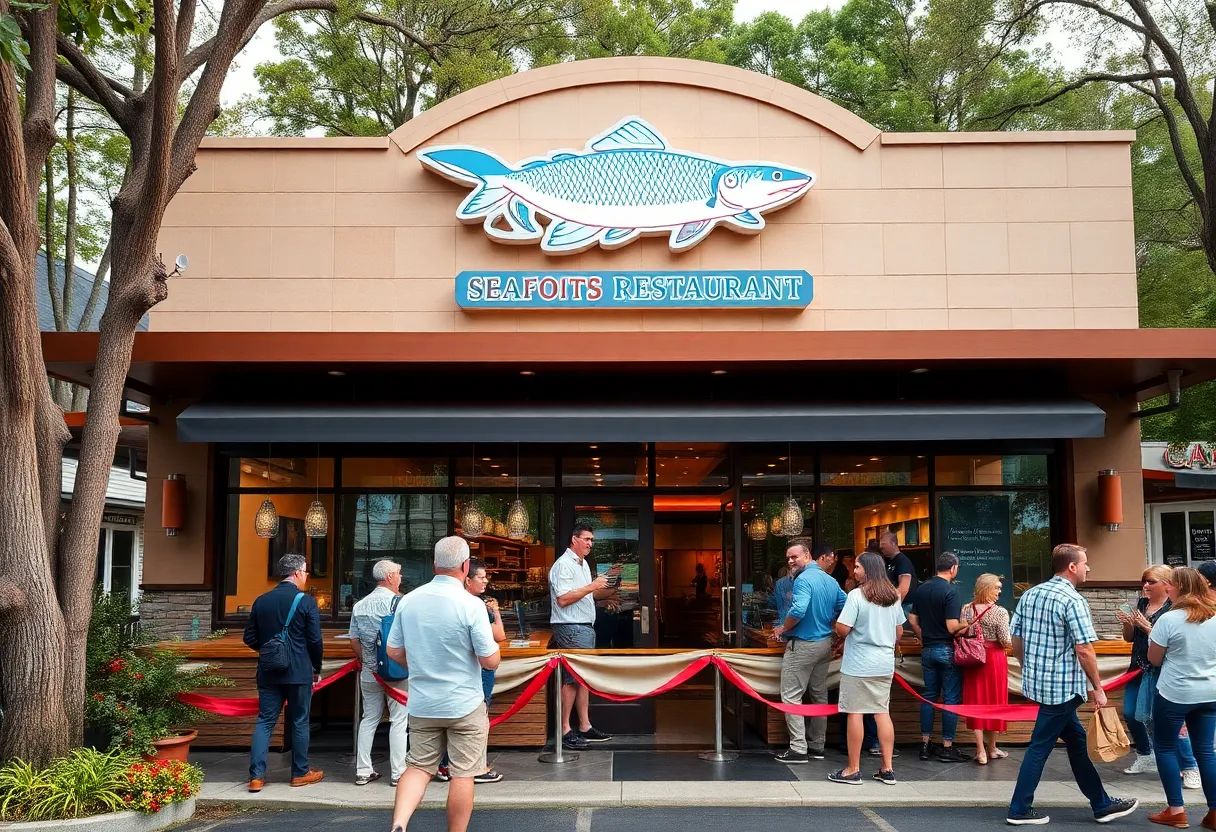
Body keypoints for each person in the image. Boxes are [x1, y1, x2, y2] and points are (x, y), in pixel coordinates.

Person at [1005, 543, 1139, 826]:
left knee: (1077, 743)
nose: (1089, 568)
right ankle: (1018, 809)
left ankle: (1101, 804)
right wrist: (1098, 687)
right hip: (1064, 687)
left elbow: (1015, 639)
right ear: (1072, 567)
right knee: (1040, 747)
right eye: (1086, 563)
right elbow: (1085, 649)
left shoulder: (1030, 594)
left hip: (1041, 683)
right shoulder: (1073, 600)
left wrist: (1029, 666)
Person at [387, 536, 501, 832]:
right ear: (466, 566)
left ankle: (399, 823)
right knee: (463, 774)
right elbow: (490, 660)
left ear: (434, 564)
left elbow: (393, 650)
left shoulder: (408, 601)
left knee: (418, 766)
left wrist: (421, 666)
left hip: (424, 701)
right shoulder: (471, 604)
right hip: (464, 703)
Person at [242, 553, 324, 792]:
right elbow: (315, 640)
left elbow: (250, 637)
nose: (306, 576)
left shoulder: (261, 600)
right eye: (306, 572)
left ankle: (256, 777)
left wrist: (271, 651)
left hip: (268, 671)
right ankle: (300, 772)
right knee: (300, 720)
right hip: (299, 671)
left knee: (265, 721)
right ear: (297, 573)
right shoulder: (306, 601)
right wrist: (316, 666)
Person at [1116, 566, 1200, 788]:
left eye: (1151, 581)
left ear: (1166, 583)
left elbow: (1172, 640)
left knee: (1169, 720)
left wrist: (1148, 628)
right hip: (1138, 667)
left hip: (1162, 669)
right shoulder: (1141, 604)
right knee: (1131, 713)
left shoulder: (1174, 608)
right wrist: (1128, 624)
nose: (1145, 586)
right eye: (1144, 581)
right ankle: (1146, 754)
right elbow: (1129, 638)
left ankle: (1190, 766)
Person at [1146, 566, 1216, 830]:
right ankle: (1214, 812)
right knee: (1206, 751)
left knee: (1164, 748)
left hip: (1174, 692)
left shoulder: (1169, 619)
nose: (1168, 588)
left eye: (1170, 584)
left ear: (1180, 588)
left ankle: (1176, 810)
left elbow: (1154, 659)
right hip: (1210, 692)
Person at [828, 552, 906, 786]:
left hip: (859, 662)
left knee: (855, 712)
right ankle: (887, 768)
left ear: (869, 570)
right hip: (884, 662)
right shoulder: (893, 595)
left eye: (859, 567)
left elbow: (843, 629)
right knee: (882, 713)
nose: (854, 571)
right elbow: (899, 632)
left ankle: (853, 769)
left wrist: (839, 625)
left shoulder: (856, 595)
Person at [771, 541, 846, 763]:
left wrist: (784, 628)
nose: (791, 561)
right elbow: (845, 605)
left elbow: (798, 609)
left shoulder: (803, 579)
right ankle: (817, 746)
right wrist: (833, 626)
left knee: (791, 696)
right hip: (825, 644)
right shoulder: (830, 580)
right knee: (819, 695)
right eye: (788, 558)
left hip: (803, 644)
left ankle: (798, 748)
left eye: (794, 557)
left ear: (807, 555)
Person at [549, 523, 619, 750]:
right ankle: (565, 730)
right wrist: (592, 587)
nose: (590, 543)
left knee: (582, 679)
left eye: (592, 540)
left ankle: (585, 726)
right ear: (574, 539)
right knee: (571, 679)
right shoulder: (563, 565)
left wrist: (600, 600)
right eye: (586, 539)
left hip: (583, 627)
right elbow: (563, 599)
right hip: (571, 627)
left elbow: (581, 595)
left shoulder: (583, 565)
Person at [436, 558, 507, 785]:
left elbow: (499, 634)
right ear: (467, 579)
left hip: (457, 674)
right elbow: (495, 641)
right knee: (477, 717)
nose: (486, 581)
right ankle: (473, 768)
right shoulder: (471, 606)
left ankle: (446, 765)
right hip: (476, 670)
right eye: (481, 577)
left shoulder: (467, 604)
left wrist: (495, 612)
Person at [348, 558, 408, 787]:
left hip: (369, 672)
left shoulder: (359, 605)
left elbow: (354, 640)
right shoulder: (400, 603)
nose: (401, 578)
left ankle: (363, 770)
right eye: (399, 573)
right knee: (399, 721)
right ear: (390, 577)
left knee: (369, 718)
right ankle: (398, 773)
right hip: (396, 672)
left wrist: (368, 661)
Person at [907, 551, 970, 762]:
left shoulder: (923, 588)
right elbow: (952, 626)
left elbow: (912, 618)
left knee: (929, 695)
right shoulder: (951, 591)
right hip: (946, 649)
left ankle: (925, 744)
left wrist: (923, 636)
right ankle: (947, 746)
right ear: (953, 568)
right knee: (950, 698)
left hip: (928, 651)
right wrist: (967, 625)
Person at [961, 573, 1013, 765]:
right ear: (987, 589)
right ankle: (991, 748)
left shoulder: (967, 609)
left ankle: (981, 750)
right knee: (995, 700)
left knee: (976, 701)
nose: (1000, 591)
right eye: (997, 588)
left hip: (973, 658)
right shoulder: (1000, 612)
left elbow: (963, 632)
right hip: (994, 659)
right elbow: (1005, 641)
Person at [878, 531, 917, 611]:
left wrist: (895, 608)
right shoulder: (887, 560)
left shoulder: (903, 561)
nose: (881, 547)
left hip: (904, 605)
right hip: (892, 603)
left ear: (893, 543)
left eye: (883, 544)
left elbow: (903, 589)